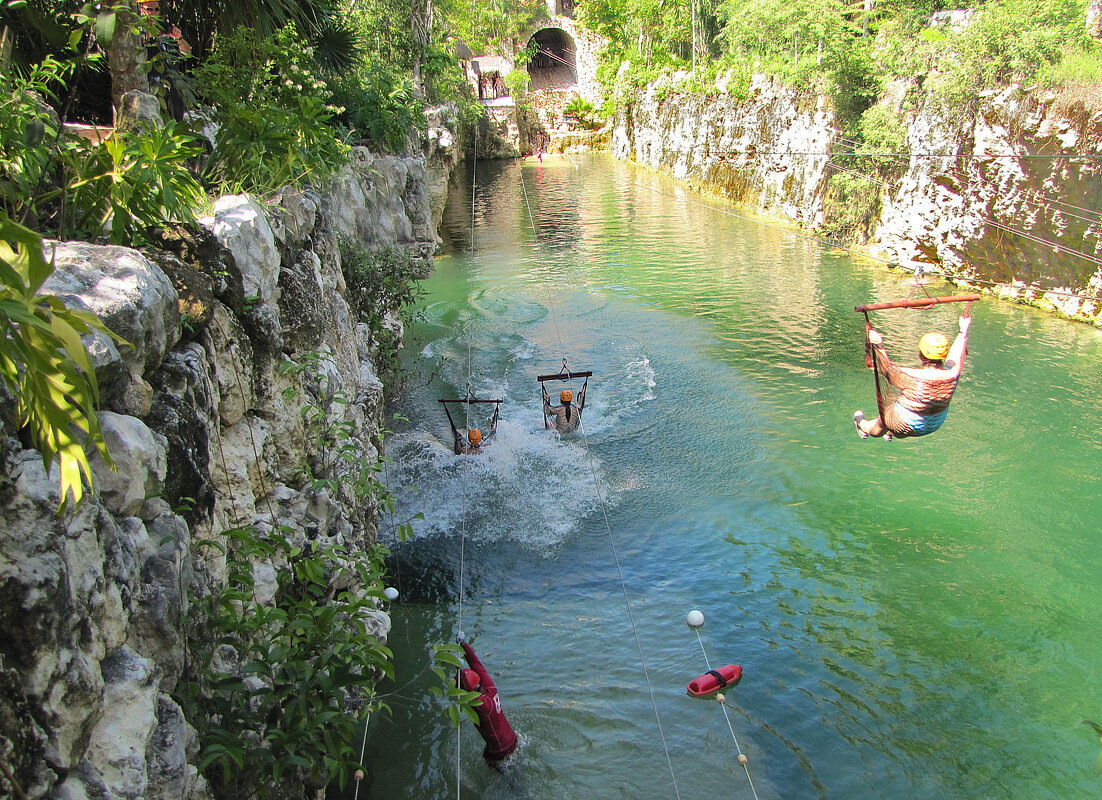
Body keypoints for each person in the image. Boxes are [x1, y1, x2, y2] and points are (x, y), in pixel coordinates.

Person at [853, 313, 972, 439]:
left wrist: (879, 345)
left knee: (882, 424)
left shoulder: (911, 376)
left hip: (903, 423)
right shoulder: (953, 374)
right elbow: (956, 355)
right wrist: (963, 330)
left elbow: (887, 369)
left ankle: (861, 424)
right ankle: (892, 433)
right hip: (933, 424)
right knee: (901, 417)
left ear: (920, 354)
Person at [456, 637, 518, 769]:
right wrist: (464, 645)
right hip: (512, 738)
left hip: (499, 749)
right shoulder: (490, 688)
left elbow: (469, 692)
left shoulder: (481, 705)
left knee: (491, 763)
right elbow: (477, 665)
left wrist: (460, 672)